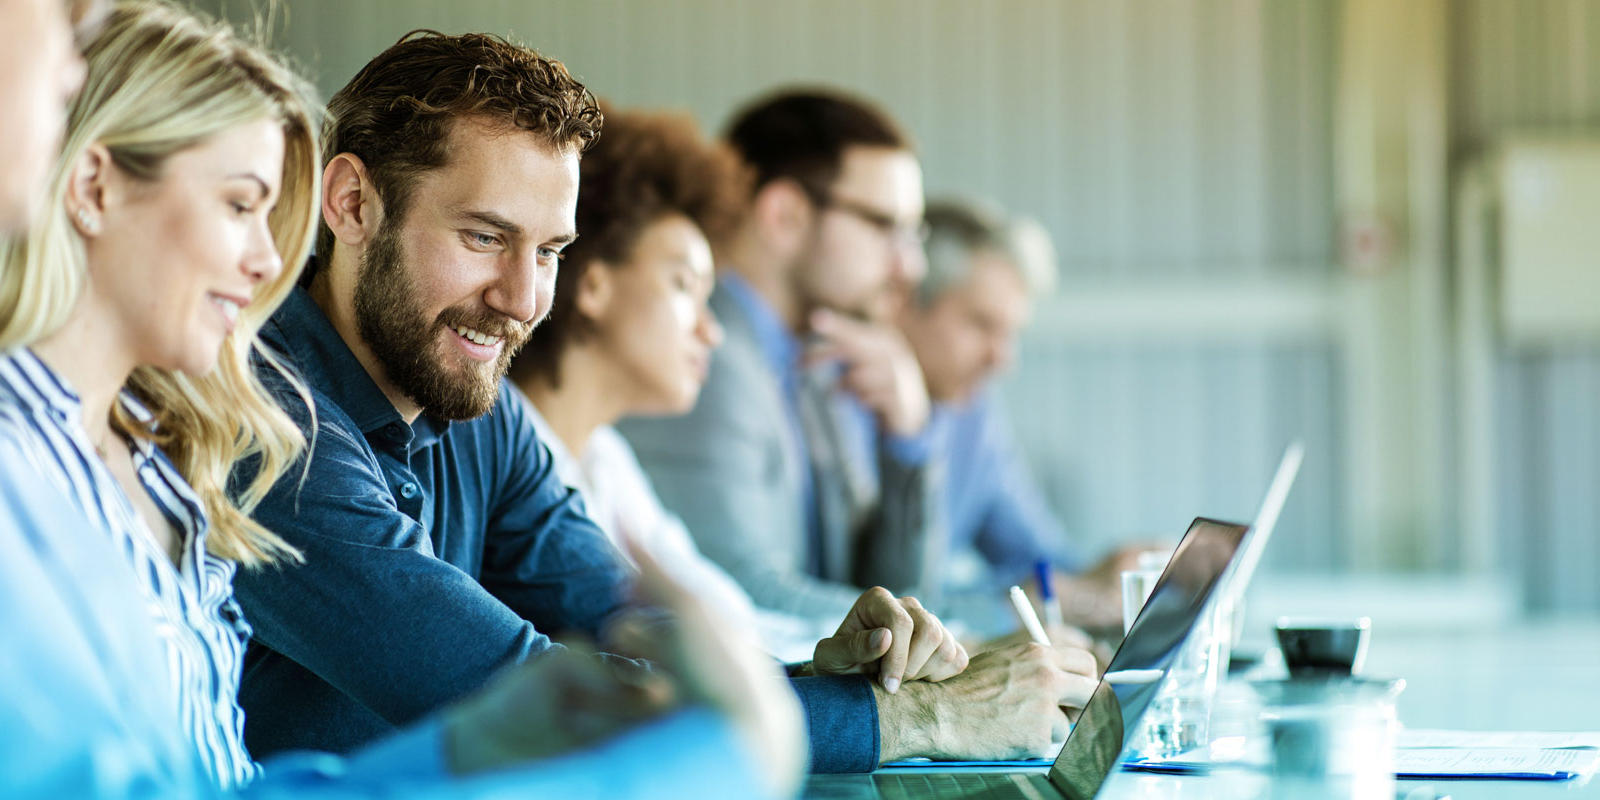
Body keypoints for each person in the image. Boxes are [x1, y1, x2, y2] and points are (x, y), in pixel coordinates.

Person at [0, 3, 804, 798]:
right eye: (240, 206)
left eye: (548, 251)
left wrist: (461, 749)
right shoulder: (17, 455)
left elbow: (206, 785)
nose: (267, 263)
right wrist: (722, 742)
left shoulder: (157, 462)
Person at [230, 32, 1098, 772]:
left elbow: (634, 623)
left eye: (551, 251)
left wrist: (814, 679)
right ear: (351, 204)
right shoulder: (266, 422)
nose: (525, 298)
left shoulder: (481, 413)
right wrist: (923, 720)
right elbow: (521, 689)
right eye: (484, 237)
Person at [509, 108, 844, 662]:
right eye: (684, 285)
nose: (710, 331)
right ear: (592, 285)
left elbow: (735, 623)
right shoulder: (511, 460)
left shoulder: (607, 459)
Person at [618, 89, 945, 622]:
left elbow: (883, 588)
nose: (911, 266)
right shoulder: (701, 358)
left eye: (914, 234)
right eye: (887, 227)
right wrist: (953, 640)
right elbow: (741, 597)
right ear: (785, 214)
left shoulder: (816, 366)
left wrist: (908, 441)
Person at [899, 200, 1148, 630]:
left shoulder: (971, 416)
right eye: (981, 325)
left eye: (1011, 333)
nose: (1002, 360)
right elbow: (870, 601)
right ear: (908, 303)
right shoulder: (839, 403)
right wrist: (1016, 605)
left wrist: (1107, 573)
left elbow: (1038, 558)